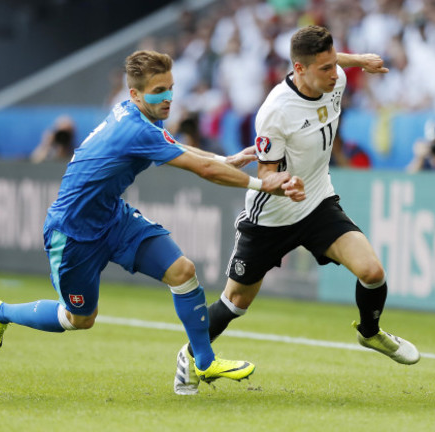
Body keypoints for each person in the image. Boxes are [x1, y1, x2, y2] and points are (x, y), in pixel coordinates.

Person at [0, 50, 305, 388]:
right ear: (135, 94)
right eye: (158, 91)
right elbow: (203, 170)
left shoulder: (142, 115)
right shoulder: (136, 129)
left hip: (113, 219)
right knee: (78, 319)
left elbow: (178, 147)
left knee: (182, 271)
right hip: (73, 233)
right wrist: (262, 182)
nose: (168, 98)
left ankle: (204, 362)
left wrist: (226, 158)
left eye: (170, 88)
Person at [173, 25, 420, 396]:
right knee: (235, 302)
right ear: (299, 69)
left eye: (335, 64)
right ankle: (189, 354)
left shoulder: (333, 79)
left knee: (372, 271)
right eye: (325, 68)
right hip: (271, 216)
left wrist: (360, 61)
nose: (336, 74)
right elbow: (266, 173)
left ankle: (370, 333)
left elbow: (336, 62)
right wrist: (285, 183)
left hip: (318, 201)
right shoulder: (275, 112)